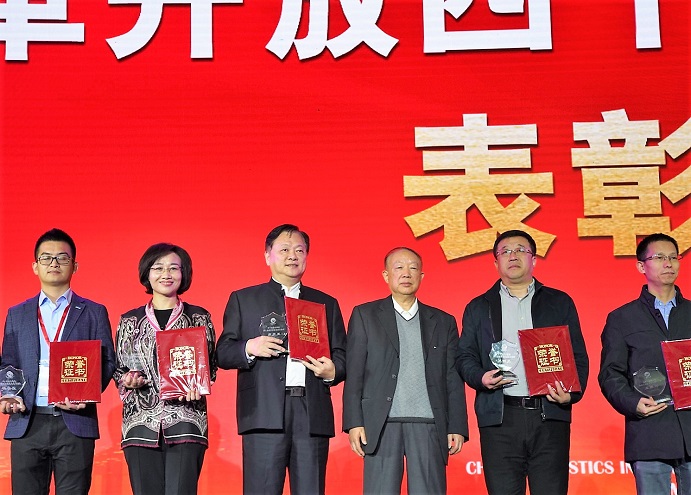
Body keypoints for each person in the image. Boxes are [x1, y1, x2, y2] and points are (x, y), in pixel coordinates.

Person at [216, 224, 347, 495]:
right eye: (284, 249)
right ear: (268, 256)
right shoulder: (244, 299)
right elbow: (223, 352)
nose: (292, 256)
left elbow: (343, 355)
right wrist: (250, 347)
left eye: (299, 250)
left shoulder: (326, 303)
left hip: (311, 412)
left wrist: (333, 371)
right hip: (263, 410)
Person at [456, 229, 589, 495]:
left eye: (520, 250)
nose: (513, 256)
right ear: (495, 262)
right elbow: (464, 356)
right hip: (500, 418)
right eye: (505, 251)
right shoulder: (479, 307)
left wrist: (571, 394)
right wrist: (481, 378)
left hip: (549, 414)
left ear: (534, 259)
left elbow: (578, 356)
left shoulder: (558, 302)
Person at [342, 247, 468, 494]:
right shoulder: (365, 315)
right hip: (381, 423)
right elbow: (354, 373)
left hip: (429, 423)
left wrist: (457, 426)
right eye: (398, 267)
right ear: (386, 275)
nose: (406, 273)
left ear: (422, 276)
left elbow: (452, 377)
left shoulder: (443, 321)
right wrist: (354, 422)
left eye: (413, 268)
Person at [0, 228, 116, 494]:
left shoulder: (94, 312)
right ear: (35, 266)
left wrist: (86, 393)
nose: (54, 263)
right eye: (46, 258)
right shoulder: (17, 313)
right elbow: (8, 364)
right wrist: (8, 394)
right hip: (27, 421)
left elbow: (107, 361)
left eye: (62, 258)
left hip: (75, 422)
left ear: (74, 266)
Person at [113, 243, 218, 495]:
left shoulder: (198, 317)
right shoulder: (129, 320)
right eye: (158, 268)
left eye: (173, 268)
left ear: (184, 273)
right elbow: (118, 368)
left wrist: (198, 385)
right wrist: (127, 379)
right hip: (139, 425)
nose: (166, 274)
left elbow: (211, 365)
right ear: (147, 274)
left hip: (187, 422)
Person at [599, 233, 691, 494]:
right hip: (649, 429)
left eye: (673, 257)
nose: (668, 263)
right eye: (659, 257)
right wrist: (633, 403)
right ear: (641, 266)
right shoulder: (622, 318)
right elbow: (610, 374)